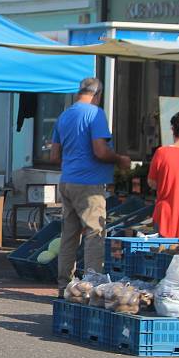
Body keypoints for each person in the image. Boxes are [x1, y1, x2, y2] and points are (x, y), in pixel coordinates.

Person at [50, 77, 130, 297]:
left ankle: (63, 286)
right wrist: (120, 159)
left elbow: (54, 155)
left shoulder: (64, 115)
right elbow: (100, 151)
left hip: (67, 180)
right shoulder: (95, 114)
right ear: (98, 94)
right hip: (89, 184)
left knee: (69, 235)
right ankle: (92, 286)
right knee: (95, 233)